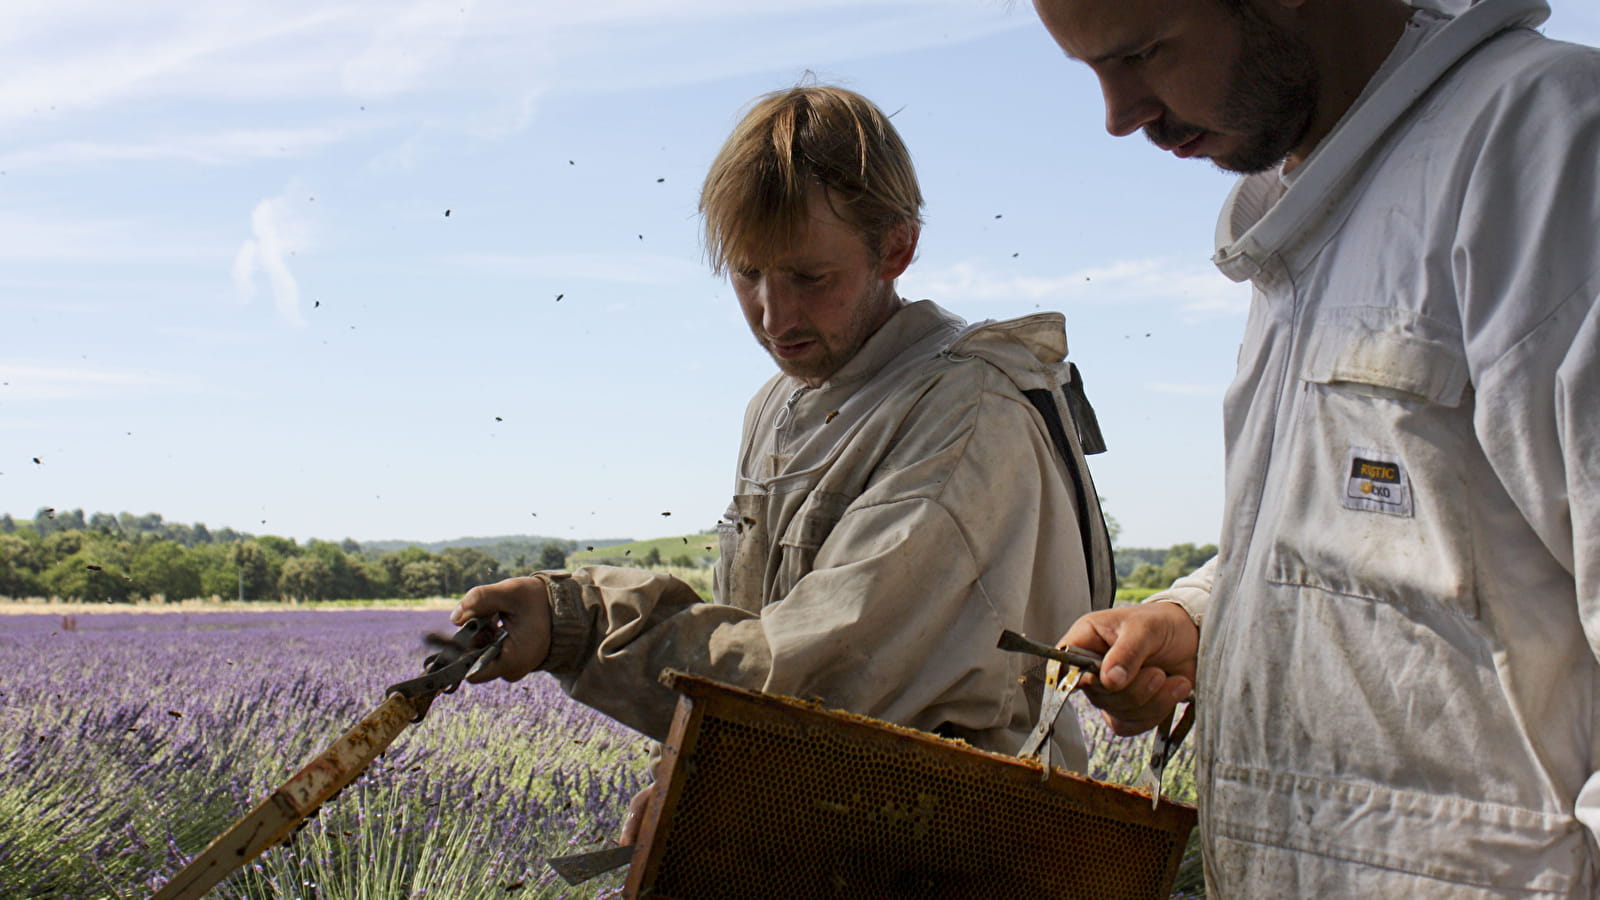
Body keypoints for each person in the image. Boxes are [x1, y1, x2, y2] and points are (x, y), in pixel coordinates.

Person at [1030, 0, 1600, 894]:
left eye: (1141, 54)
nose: (1119, 114)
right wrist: (1198, 619)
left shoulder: (1547, 145)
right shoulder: (1316, 214)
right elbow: (1397, 526)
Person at [451, 84, 1114, 840]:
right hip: (823, 828)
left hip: (958, 848)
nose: (773, 315)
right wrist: (701, 773)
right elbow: (756, 628)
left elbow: (817, 682)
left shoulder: (966, 417)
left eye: (809, 277)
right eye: (746, 274)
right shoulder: (782, 401)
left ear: (896, 248)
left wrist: (581, 622)